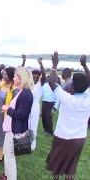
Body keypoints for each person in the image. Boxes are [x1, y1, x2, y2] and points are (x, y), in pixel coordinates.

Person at [46, 52, 90, 180]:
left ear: (73, 87)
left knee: (57, 166)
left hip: (62, 137)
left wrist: (54, 64)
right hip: (79, 139)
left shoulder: (66, 98)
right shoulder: (88, 99)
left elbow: (52, 82)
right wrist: (84, 65)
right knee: (71, 167)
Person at [1, 67, 34, 180]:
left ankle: (11, 178)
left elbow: (21, 114)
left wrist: (7, 108)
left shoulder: (26, 94)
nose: (13, 78)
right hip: (11, 127)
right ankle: (7, 175)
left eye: (15, 76)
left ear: (21, 78)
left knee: (9, 155)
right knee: (7, 153)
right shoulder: (22, 91)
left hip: (15, 129)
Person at [28, 58, 46, 150]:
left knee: (33, 126)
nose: (35, 78)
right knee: (26, 124)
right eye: (33, 76)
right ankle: (26, 141)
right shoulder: (29, 84)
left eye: (36, 77)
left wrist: (41, 64)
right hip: (27, 106)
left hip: (35, 107)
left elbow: (44, 76)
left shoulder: (40, 84)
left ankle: (33, 143)